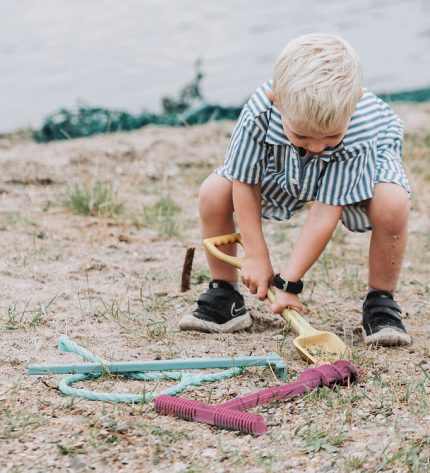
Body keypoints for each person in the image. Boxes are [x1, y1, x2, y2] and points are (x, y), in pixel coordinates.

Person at [179, 33, 412, 346]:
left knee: (392, 202)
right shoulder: (259, 112)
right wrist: (257, 256)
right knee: (214, 192)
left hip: (361, 162)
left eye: (330, 138)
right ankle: (225, 295)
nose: (317, 147)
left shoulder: (358, 128)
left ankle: (381, 301)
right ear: (277, 103)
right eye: (303, 135)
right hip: (285, 164)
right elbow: (244, 183)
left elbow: (326, 209)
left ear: (354, 104)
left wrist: (289, 281)